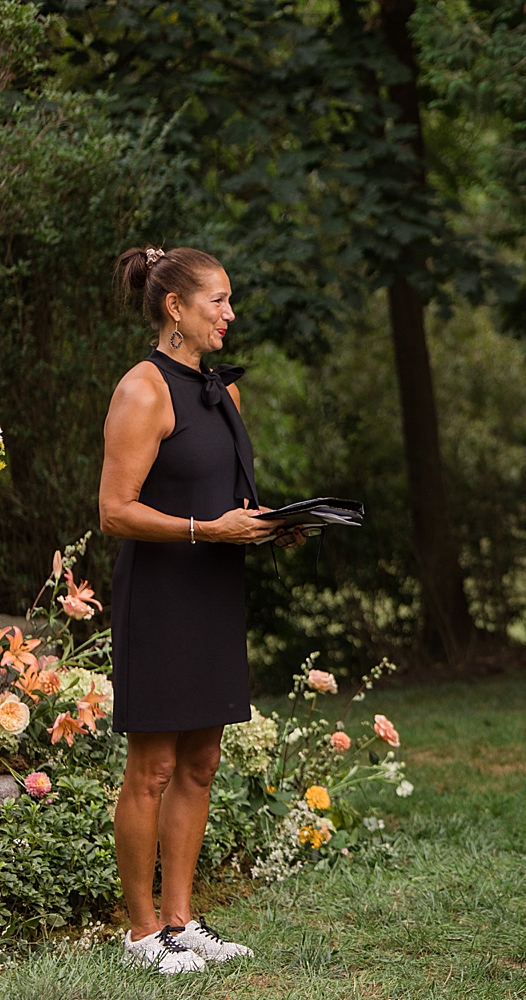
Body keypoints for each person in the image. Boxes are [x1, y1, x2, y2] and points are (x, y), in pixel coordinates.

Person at [101, 246, 296, 973]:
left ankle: (183, 923)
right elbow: (114, 511)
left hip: (214, 589)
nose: (230, 313)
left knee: (202, 761)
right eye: (218, 299)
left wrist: (275, 522)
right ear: (175, 308)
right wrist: (204, 531)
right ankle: (142, 934)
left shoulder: (224, 391)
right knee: (151, 766)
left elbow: (229, 501)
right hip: (160, 594)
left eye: (231, 299)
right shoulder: (142, 388)